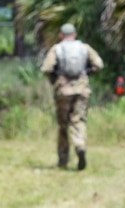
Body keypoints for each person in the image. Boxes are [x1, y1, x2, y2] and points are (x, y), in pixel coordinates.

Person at [41, 22, 103, 171]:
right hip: (82, 90)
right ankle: (80, 146)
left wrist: (55, 80)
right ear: (75, 35)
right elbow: (99, 64)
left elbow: (46, 68)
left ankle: (63, 159)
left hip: (63, 91)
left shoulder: (57, 49)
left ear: (61, 36)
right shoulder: (85, 48)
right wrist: (88, 73)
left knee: (63, 126)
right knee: (79, 120)